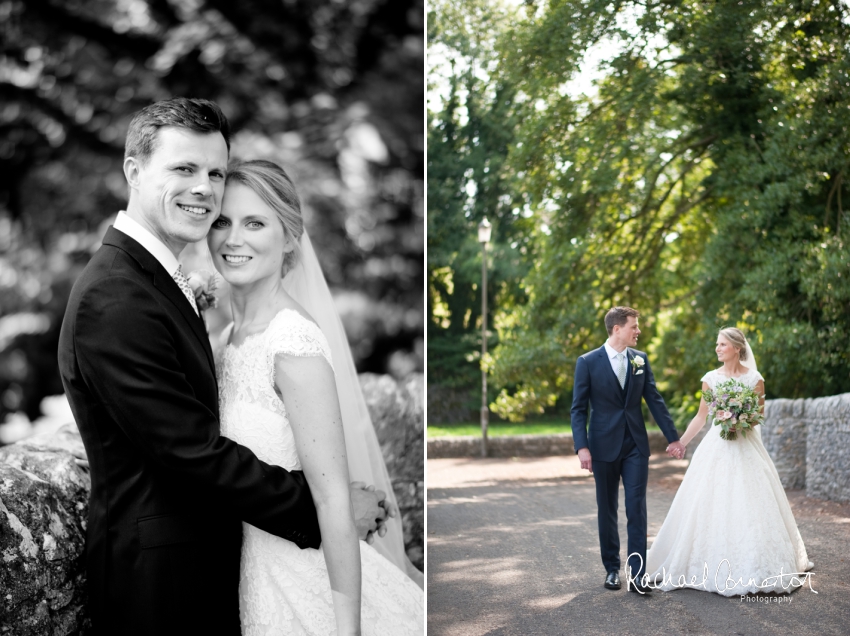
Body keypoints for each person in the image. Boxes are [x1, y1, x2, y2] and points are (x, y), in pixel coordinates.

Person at [57, 98, 393, 636]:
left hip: (222, 571)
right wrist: (325, 509)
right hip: (160, 584)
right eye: (184, 168)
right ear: (134, 170)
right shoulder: (115, 296)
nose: (204, 189)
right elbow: (192, 451)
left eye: (214, 171)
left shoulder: (156, 282)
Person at [207, 159, 423, 635]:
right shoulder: (225, 340)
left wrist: (346, 629)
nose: (233, 238)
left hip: (308, 584)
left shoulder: (292, 341)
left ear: (289, 238)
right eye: (222, 221)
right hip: (252, 580)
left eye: (255, 223)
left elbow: (332, 502)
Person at [646, 328, 811, 595]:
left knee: (752, 502)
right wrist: (681, 442)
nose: (717, 348)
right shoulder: (711, 379)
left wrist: (739, 418)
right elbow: (701, 417)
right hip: (717, 446)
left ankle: (755, 562)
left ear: (736, 348)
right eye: (717, 344)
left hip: (746, 445)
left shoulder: (755, 379)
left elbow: (758, 416)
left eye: (722, 344)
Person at [570, 306, 684, 594]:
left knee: (637, 508)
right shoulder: (587, 362)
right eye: (634, 326)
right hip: (602, 447)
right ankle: (611, 569)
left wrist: (674, 438)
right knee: (607, 509)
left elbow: (654, 400)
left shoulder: (640, 360)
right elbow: (578, 409)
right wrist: (581, 447)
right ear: (617, 328)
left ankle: (636, 575)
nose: (638, 331)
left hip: (635, 445)